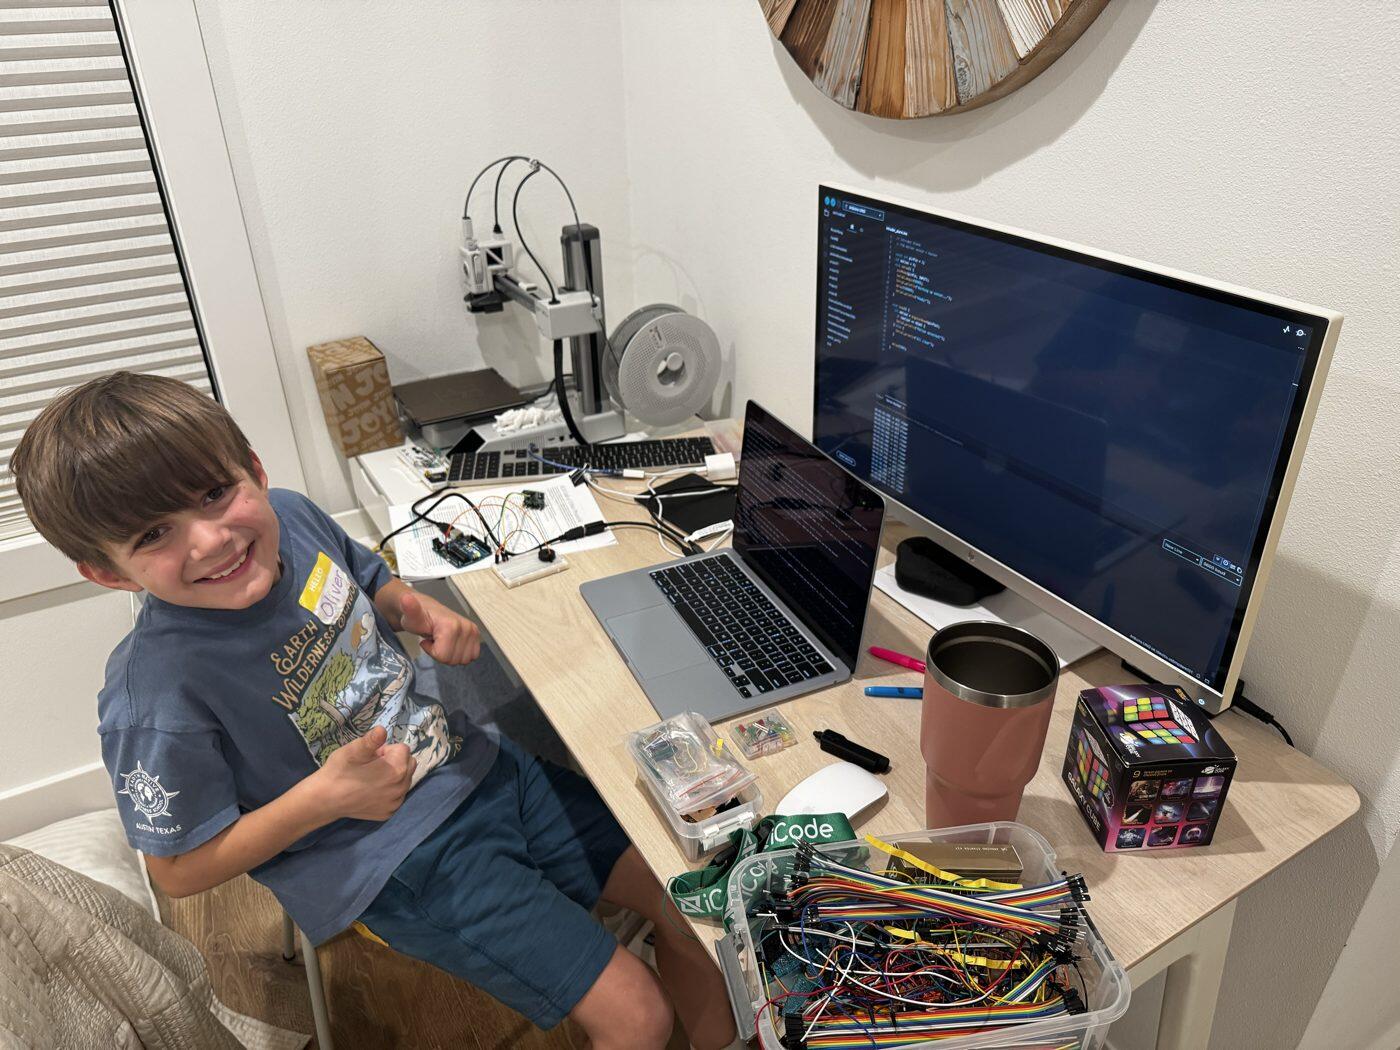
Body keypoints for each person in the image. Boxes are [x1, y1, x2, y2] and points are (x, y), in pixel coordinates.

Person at [9, 372, 736, 1050]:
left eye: (211, 494)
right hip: (392, 861)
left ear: (255, 472)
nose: (211, 538)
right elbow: (176, 871)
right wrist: (323, 801)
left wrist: (413, 610)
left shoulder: (291, 517)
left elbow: (364, 576)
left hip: (477, 766)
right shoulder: (154, 695)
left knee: (694, 903)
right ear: (108, 572)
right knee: (638, 1016)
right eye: (152, 535)